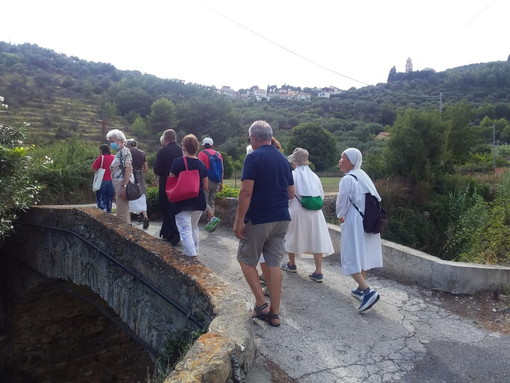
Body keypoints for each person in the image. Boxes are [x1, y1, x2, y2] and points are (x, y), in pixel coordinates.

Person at [234, 120, 295, 327]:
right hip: (282, 218)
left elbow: (246, 191)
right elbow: (291, 193)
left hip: (259, 218)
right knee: (273, 263)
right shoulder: (284, 160)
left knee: (245, 259)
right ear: (270, 136)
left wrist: (239, 220)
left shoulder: (253, 158)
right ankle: (275, 313)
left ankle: (261, 305)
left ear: (253, 138)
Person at [336, 148, 383, 312]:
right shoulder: (363, 175)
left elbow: (341, 204)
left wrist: (340, 215)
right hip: (367, 220)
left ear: (351, 161)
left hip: (354, 221)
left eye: (343, 158)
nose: (340, 161)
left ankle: (367, 292)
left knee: (350, 256)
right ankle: (359, 288)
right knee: (362, 253)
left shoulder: (347, 179)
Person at [281, 148, 334, 282]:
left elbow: (288, 195)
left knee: (291, 236)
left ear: (295, 162)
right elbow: (321, 195)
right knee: (316, 239)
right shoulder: (315, 177)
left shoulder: (292, 175)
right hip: (315, 213)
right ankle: (318, 271)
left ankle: (292, 264)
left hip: (296, 210)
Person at [168, 134, 208, 262]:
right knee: (194, 227)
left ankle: (192, 256)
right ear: (196, 147)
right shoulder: (201, 164)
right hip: (199, 201)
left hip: (182, 201)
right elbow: (206, 186)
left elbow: (171, 179)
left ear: (183, 146)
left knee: (185, 229)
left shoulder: (178, 162)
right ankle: (195, 250)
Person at [154, 129, 182, 245]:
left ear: (165, 140)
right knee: (177, 209)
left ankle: (172, 234)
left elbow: (157, 169)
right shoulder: (182, 150)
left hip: (166, 183)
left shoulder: (162, 151)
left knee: (166, 207)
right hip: (180, 183)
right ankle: (168, 232)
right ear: (175, 138)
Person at [106, 129, 133, 225]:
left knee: (121, 213)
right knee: (122, 211)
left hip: (122, 184)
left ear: (121, 140)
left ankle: (125, 234)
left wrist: (124, 187)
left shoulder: (124, 152)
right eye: (110, 142)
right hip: (118, 184)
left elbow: (128, 169)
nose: (111, 144)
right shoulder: (120, 153)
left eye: (113, 141)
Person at [198, 137, 223, 232]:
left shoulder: (202, 154)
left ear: (203, 145)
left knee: (204, 201)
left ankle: (212, 219)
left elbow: (200, 168)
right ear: (212, 145)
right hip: (217, 180)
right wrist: (221, 182)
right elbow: (222, 169)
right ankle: (211, 224)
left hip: (206, 180)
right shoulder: (218, 154)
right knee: (211, 202)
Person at [126, 139, 150, 229]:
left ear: (128, 145)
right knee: (141, 196)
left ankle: (129, 221)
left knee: (129, 196)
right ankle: (145, 216)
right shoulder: (142, 153)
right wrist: (139, 172)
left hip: (130, 176)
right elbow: (146, 169)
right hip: (140, 176)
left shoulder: (127, 153)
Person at [91, 144, 115, 213]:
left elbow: (93, 168)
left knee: (101, 196)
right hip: (112, 180)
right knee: (109, 197)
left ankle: (102, 211)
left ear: (102, 150)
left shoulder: (101, 157)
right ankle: (109, 211)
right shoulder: (114, 157)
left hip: (102, 180)